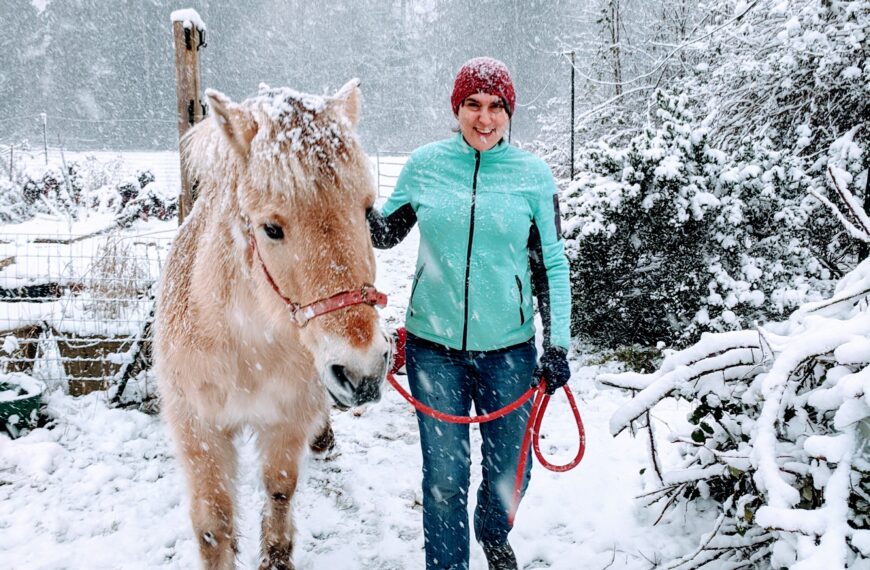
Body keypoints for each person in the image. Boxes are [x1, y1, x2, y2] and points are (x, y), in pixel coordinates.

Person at [367, 57, 571, 570]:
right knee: (443, 478)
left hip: (510, 349)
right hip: (433, 350)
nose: (485, 118)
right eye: (473, 106)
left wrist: (558, 343)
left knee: (512, 473)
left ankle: (492, 532)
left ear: (509, 112)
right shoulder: (425, 166)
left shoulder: (533, 176)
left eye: (496, 107)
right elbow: (382, 233)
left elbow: (550, 265)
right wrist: (343, 195)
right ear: (456, 109)